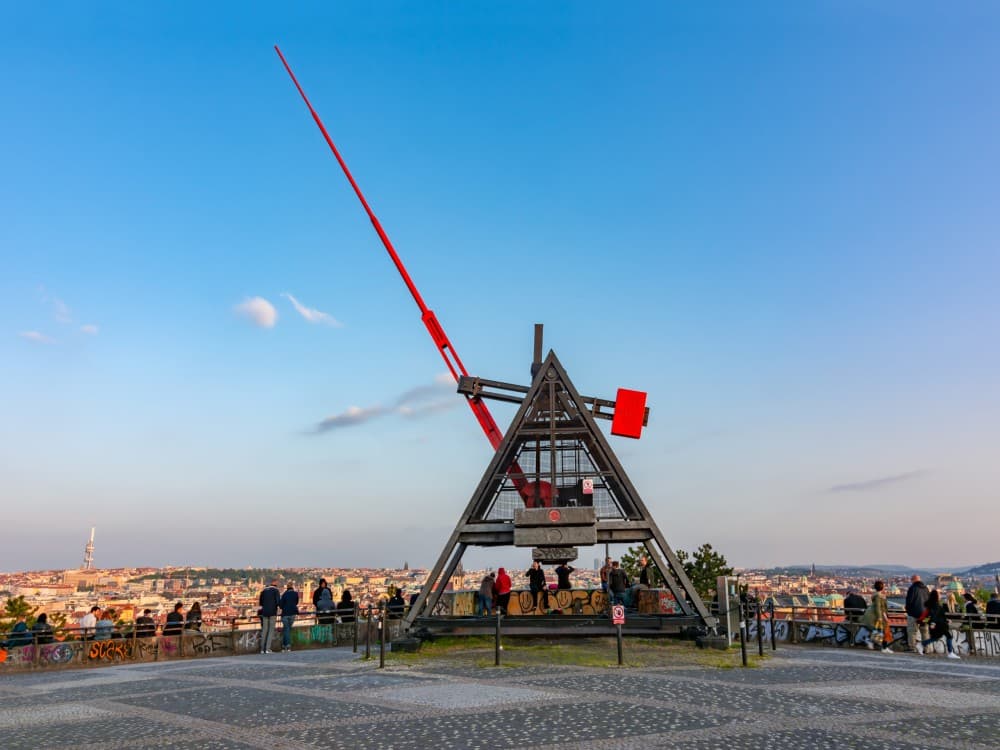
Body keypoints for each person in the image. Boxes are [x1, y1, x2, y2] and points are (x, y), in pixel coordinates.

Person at [917, 589, 960, 659]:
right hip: (939, 624)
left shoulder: (933, 604)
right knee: (949, 636)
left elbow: (938, 615)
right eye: (939, 594)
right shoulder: (935, 605)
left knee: (936, 637)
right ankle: (950, 652)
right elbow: (934, 615)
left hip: (939, 623)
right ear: (936, 596)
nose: (940, 595)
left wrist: (946, 620)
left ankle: (922, 644)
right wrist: (933, 623)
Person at [861, 580, 893, 653]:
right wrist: (881, 618)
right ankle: (880, 646)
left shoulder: (876, 595)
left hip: (877, 616)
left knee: (882, 632)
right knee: (884, 632)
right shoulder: (879, 596)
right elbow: (879, 608)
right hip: (879, 617)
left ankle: (883, 647)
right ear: (882, 587)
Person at [905, 574, 930, 653]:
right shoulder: (926, 589)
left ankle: (912, 648)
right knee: (925, 632)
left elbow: (909, 601)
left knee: (912, 631)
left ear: (913, 580)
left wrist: (908, 611)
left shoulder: (912, 588)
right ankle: (927, 648)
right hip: (925, 614)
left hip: (914, 613)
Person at [259, 579, 281, 654]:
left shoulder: (264, 591)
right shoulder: (276, 591)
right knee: (271, 630)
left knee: (264, 630)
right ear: (275, 584)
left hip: (264, 612)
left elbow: (260, 602)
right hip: (272, 612)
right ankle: (267, 649)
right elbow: (278, 602)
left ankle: (262, 649)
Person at [279, 582, 299, 652]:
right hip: (293, 613)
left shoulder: (284, 594)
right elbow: (296, 603)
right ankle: (284, 646)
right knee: (288, 630)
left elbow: (281, 605)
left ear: (287, 587)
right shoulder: (296, 594)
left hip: (285, 614)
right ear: (292, 587)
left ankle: (287, 646)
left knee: (286, 630)